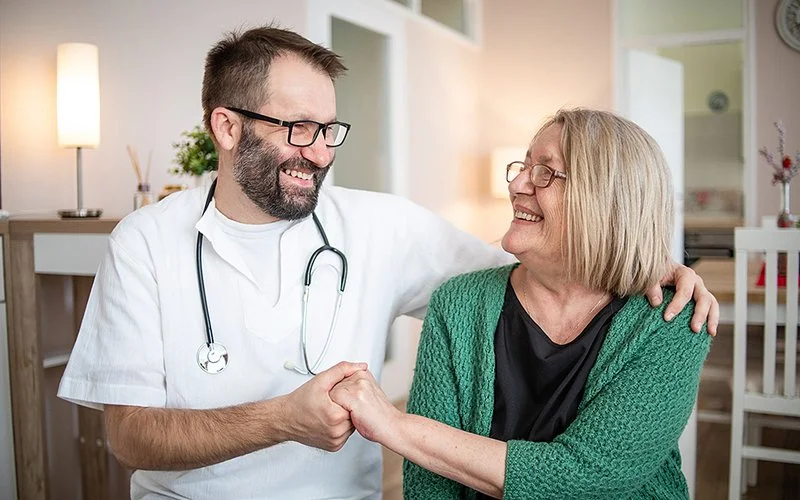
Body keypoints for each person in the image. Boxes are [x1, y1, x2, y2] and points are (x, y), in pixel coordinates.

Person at [57, 25, 716, 499]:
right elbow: (130, 437)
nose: (320, 153)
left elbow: (543, 273)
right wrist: (281, 419)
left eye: (330, 130)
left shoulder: (380, 226)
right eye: (298, 129)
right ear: (228, 128)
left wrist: (648, 265)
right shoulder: (145, 242)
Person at [330, 109, 712, 499]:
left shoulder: (672, 320)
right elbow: (430, 484)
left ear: (605, 198)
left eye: (545, 171)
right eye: (523, 166)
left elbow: (587, 478)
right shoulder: (458, 303)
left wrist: (396, 427)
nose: (516, 183)